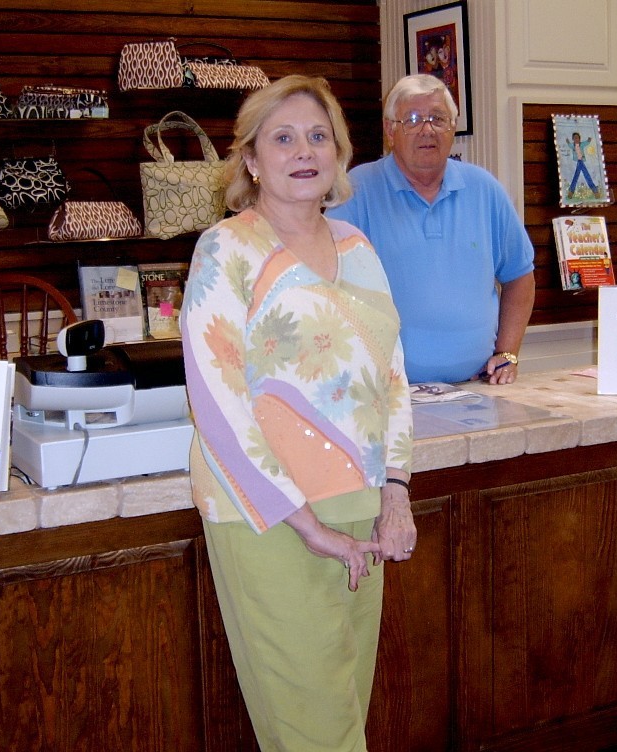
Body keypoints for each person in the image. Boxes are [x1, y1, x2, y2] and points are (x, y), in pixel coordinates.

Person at [179, 74, 416, 752]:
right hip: (269, 515)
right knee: (314, 728)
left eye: (319, 136)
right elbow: (217, 402)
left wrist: (395, 490)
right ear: (251, 159)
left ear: (339, 155)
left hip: (360, 502)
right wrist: (304, 522)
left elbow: (392, 379)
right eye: (282, 138)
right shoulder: (227, 250)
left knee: (344, 704)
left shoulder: (358, 249)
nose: (303, 150)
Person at [326, 74, 535, 385]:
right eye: (412, 119)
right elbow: (326, 288)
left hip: (477, 388)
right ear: (390, 131)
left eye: (438, 118)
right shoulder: (356, 193)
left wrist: (508, 353)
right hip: (385, 392)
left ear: (452, 128)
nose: (427, 129)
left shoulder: (484, 190)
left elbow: (520, 276)